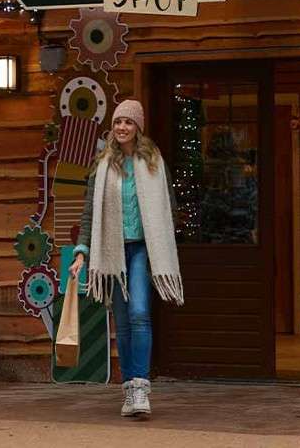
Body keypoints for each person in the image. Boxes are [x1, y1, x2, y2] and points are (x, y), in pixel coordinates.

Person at [70, 99, 184, 418]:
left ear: (138, 127)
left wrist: (161, 240)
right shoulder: (102, 165)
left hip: (142, 249)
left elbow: (169, 207)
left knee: (139, 313)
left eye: (128, 122)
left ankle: (141, 387)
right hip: (113, 250)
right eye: (118, 122)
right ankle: (129, 389)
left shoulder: (153, 162)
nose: (122, 127)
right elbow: (89, 212)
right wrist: (81, 252)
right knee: (121, 322)